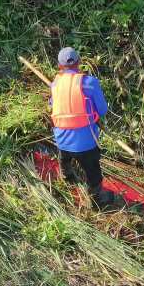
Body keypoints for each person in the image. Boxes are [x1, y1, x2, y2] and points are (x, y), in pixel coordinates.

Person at [51, 47, 114, 208]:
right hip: (86, 145)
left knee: (64, 158)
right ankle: (96, 199)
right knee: (92, 171)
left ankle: (66, 175)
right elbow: (102, 110)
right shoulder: (90, 83)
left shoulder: (55, 84)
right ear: (79, 62)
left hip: (61, 140)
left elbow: (52, 105)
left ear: (59, 66)